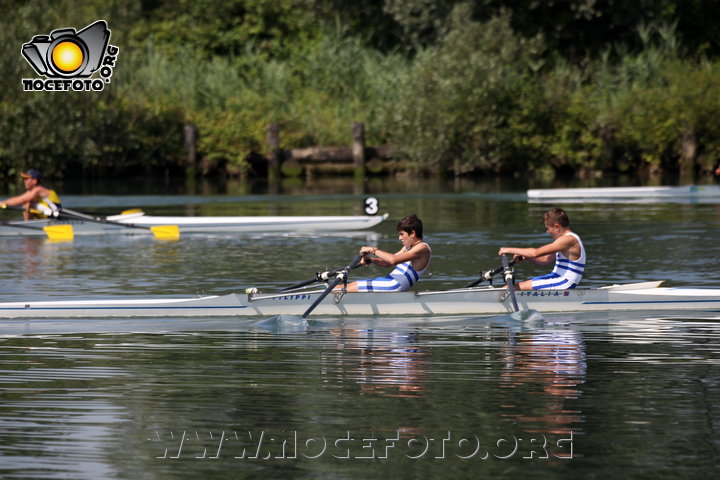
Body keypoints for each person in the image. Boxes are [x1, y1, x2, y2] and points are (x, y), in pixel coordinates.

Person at [498, 207, 585, 290]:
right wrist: (527, 256)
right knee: (513, 286)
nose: (547, 232)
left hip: (565, 282)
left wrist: (508, 250)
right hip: (556, 277)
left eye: (547, 228)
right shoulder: (562, 240)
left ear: (557, 226)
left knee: (509, 288)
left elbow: (535, 253)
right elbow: (544, 260)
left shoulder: (568, 239)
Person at [343, 214, 431, 293]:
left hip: (394, 285)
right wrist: (372, 260)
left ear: (412, 233)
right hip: (389, 281)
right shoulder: (408, 247)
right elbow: (388, 262)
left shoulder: (422, 248)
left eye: (402, 234)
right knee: (350, 285)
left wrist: (373, 250)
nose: (399, 238)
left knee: (347, 287)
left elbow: (393, 260)